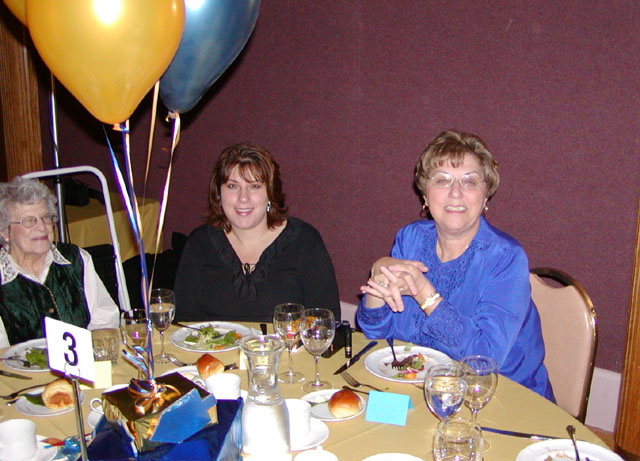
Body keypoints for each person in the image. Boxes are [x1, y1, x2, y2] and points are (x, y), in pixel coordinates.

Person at [357, 130, 554, 401]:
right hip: (421, 391)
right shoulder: (411, 238)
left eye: (470, 181)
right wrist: (378, 275)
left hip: (496, 396)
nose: (456, 192)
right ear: (425, 194)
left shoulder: (506, 257)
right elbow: (377, 333)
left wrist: (424, 293)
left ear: (486, 195)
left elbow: (485, 359)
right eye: (442, 180)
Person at [174, 143, 340, 323]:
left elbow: (326, 321)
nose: (243, 198)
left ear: (270, 194)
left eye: (254, 186)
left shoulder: (305, 241)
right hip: (212, 343)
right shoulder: (199, 243)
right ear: (218, 194)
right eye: (232, 186)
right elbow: (184, 320)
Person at [0, 177, 119, 347]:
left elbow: (105, 321)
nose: (42, 227)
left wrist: (85, 352)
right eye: (30, 221)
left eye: (46, 217)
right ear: (6, 231)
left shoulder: (76, 259)